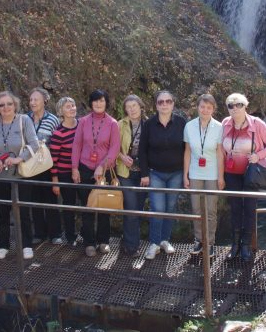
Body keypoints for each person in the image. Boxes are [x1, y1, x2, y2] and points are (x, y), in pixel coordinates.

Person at [221, 92, 266, 261]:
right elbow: (221, 149)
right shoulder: (225, 123)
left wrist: (259, 155)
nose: (235, 108)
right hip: (231, 173)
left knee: (249, 208)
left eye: (238, 104)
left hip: (251, 174)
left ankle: (246, 245)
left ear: (245, 105)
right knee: (235, 208)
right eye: (230, 105)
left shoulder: (257, 123)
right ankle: (235, 244)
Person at [0, 91, 40, 260]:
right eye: (2, 105)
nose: (6, 107)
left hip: (20, 175)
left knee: (23, 211)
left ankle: (26, 245)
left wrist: (18, 159)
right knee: (2, 211)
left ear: (15, 105)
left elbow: (34, 144)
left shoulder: (24, 120)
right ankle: (3, 245)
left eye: (9, 104)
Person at [71, 89, 120, 257]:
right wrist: (74, 168)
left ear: (106, 103)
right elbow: (77, 145)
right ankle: (89, 242)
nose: (99, 104)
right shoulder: (83, 122)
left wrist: (102, 166)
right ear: (91, 103)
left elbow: (114, 149)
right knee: (87, 206)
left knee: (104, 206)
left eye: (102, 100)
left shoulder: (113, 123)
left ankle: (104, 241)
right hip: (84, 168)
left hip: (104, 171)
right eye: (95, 101)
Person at [140, 90, 186, 260]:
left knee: (170, 208)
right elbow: (142, 151)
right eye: (161, 102)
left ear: (173, 103)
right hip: (156, 173)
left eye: (168, 101)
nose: (164, 104)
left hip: (176, 173)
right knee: (157, 208)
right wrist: (144, 174)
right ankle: (154, 243)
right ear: (156, 105)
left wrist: (186, 174)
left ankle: (165, 240)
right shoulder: (149, 124)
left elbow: (187, 149)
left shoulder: (181, 123)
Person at [183, 94, 224, 258]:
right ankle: (199, 240)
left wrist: (221, 177)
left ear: (213, 109)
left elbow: (220, 154)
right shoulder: (189, 126)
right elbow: (187, 151)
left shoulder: (219, 127)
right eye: (202, 107)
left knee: (211, 210)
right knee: (196, 208)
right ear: (197, 108)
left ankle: (210, 243)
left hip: (212, 174)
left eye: (209, 107)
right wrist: (185, 175)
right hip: (194, 173)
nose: (205, 110)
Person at [27, 87, 62, 245]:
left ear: (44, 101)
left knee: (50, 200)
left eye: (36, 99)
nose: (33, 102)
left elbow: (58, 143)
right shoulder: (25, 118)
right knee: (34, 200)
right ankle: (39, 233)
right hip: (30, 166)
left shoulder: (53, 119)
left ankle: (55, 233)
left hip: (48, 166)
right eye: (31, 100)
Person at [116, 94, 149, 257]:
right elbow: (112, 146)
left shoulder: (149, 124)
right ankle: (132, 247)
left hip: (143, 174)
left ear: (140, 106)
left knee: (137, 209)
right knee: (131, 209)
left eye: (134, 106)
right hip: (125, 172)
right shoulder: (120, 125)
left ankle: (127, 239)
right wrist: (122, 157)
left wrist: (146, 172)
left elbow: (152, 150)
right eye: (128, 107)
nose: (131, 110)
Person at [49, 96, 79, 246]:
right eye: (68, 106)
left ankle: (86, 236)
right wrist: (55, 181)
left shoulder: (82, 126)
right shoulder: (58, 133)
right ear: (61, 111)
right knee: (69, 205)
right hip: (64, 173)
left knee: (86, 203)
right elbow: (53, 160)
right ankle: (71, 237)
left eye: (73, 105)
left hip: (82, 171)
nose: (72, 108)